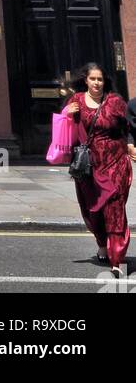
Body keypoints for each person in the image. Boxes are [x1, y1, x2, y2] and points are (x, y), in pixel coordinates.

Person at [62, 61, 136, 277]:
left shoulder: (115, 102)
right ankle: (102, 244)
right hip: (88, 164)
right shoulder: (75, 101)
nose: (96, 83)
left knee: (114, 207)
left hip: (115, 160)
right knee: (93, 209)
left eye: (100, 79)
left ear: (105, 81)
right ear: (85, 80)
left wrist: (131, 145)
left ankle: (117, 258)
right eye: (92, 78)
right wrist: (67, 113)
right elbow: (65, 132)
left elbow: (129, 126)